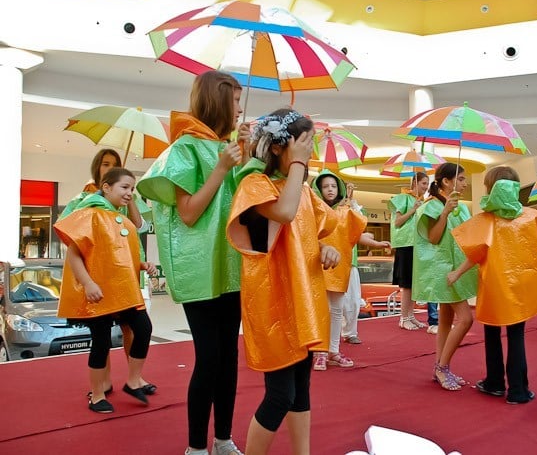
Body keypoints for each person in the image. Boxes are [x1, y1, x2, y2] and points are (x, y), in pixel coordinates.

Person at [137, 71, 249, 455]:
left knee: (230, 356)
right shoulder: (184, 149)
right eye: (234, 102)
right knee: (209, 357)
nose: (239, 109)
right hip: (201, 269)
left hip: (232, 266)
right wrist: (221, 167)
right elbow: (188, 213)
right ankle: (196, 447)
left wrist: (244, 159)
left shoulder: (227, 146)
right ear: (218, 102)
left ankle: (223, 439)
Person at [226, 108, 340, 455]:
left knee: (302, 387)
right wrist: (299, 168)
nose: (309, 151)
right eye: (302, 143)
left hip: (303, 299)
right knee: (280, 395)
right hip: (272, 303)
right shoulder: (254, 184)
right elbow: (285, 212)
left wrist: (325, 246)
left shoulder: (301, 188)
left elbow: (304, 230)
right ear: (277, 148)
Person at [54, 167, 156, 414]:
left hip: (123, 291)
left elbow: (119, 257)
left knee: (144, 328)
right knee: (100, 342)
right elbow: (74, 255)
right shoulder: (90, 213)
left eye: (132, 189)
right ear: (106, 187)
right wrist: (88, 283)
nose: (130, 193)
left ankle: (133, 380)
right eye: (125, 187)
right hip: (98, 293)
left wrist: (141, 264)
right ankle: (97, 394)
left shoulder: (119, 218)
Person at [449, 166, 537, 404]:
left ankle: (494, 382)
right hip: (524, 281)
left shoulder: (486, 220)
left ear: (490, 188)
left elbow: (475, 252)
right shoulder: (533, 215)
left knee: (492, 331)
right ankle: (518, 390)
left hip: (495, 283)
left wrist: (456, 273)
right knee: (517, 335)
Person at [310, 172, 391, 369]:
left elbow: (357, 235)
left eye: (334, 186)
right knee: (321, 310)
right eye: (326, 186)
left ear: (340, 189)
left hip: (340, 266)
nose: (330, 189)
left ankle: (333, 351)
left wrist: (378, 243)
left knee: (337, 310)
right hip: (316, 265)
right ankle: (319, 352)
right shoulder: (312, 209)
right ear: (318, 189)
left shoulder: (346, 211)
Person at [412, 162, 477, 390]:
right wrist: (445, 213)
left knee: (446, 322)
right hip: (442, 270)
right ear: (446, 181)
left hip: (456, 269)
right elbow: (432, 238)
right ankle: (443, 367)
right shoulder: (430, 206)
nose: (464, 182)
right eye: (460, 178)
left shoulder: (464, 208)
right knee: (466, 319)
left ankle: (439, 366)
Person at [388, 171, 434, 331]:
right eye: (423, 183)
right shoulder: (401, 199)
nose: (426, 187)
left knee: (415, 283)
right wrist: (413, 209)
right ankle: (403, 317)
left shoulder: (423, 201)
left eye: (427, 184)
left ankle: (411, 316)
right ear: (414, 183)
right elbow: (398, 222)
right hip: (405, 245)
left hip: (419, 245)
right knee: (407, 283)